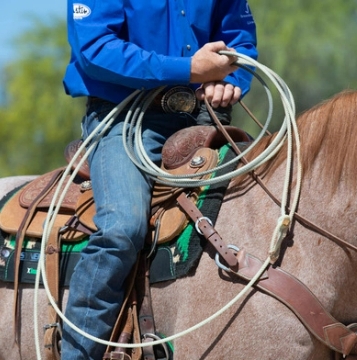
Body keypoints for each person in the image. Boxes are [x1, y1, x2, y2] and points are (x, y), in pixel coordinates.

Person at [61, 0, 258, 359]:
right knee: (122, 227)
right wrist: (188, 69)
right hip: (124, 119)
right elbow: (94, 49)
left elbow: (238, 39)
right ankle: (78, 354)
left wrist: (231, 80)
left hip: (205, 117)